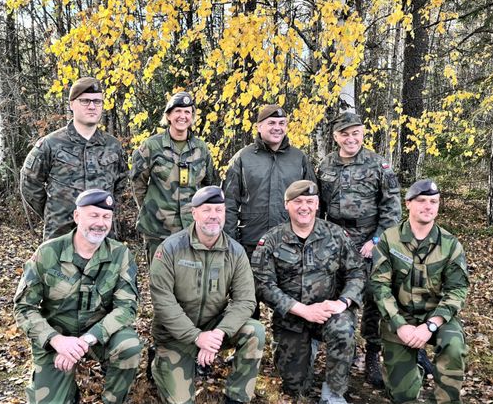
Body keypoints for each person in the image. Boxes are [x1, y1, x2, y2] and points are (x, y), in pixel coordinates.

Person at [13, 189, 142, 404]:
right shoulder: (48, 253)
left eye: (106, 216)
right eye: (94, 215)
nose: (100, 223)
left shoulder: (120, 254)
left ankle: (114, 400)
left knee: (129, 345)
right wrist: (56, 341)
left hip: (98, 335)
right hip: (57, 337)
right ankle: (67, 390)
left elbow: (126, 307)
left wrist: (87, 340)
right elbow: (24, 307)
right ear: (76, 216)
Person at [149, 186, 265, 404]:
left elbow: (245, 300)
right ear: (194, 213)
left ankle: (236, 397)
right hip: (175, 335)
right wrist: (197, 337)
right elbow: (163, 303)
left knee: (254, 331)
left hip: (213, 328)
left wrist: (219, 333)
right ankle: (158, 363)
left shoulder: (235, 252)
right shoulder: (170, 249)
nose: (214, 215)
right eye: (207, 210)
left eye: (219, 210)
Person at [252, 180, 365, 404]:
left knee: (342, 328)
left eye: (309, 201)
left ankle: (334, 393)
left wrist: (342, 302)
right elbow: (263, 284)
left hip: (328, 313)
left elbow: (357, 272)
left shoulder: (336, 235)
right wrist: (302, 310)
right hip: (292, 318)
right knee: (295, 388)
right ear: (287, 205)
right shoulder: (271, 240)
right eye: (298, 202)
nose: (304, 207)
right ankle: (306, 351)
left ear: (317, 205)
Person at [317, 111, 403, 387]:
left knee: (373, 299)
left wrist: (376, 240)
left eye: (356, 133)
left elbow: (392, 209)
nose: (351, 139)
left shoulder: (378, 165)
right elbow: (318, 207)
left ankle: (372, 354)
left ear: (363, 134)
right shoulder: (326, 165)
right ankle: (345, 349)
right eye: (345, 134)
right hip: (336, 240)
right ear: (335, 137)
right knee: (340, 295)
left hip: (369, 240)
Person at [370, 179, 469, 403]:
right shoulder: (389, 239)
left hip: (436, 317)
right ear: (408, 203)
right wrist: (399, 324)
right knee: (402, 396)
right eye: (422, 200)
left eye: (434, 202)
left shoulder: (450, 243)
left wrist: (431, 324)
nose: (428, 206)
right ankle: (411, 373)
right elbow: (379, 285)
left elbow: (457, 289)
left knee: (454, 346)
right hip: (399, 317)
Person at [20, 77, 128, 240]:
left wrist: (105, 211)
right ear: (72, 104)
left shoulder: (113, 146)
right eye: (85, 101)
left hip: (101, 236)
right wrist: (54, 212)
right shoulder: (51, 144)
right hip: (61, 236)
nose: (92, 106)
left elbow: (121, 184)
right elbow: (29, 182)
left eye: (97, 101)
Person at [130, 91, 215, 266]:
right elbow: (137, 183)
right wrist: (151, 208)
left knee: (189, 278)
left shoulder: (201, 148)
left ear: (192, 117)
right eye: (178, 111)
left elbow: (209, 187)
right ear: (168, 115)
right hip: (158, 229)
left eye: (187, 112)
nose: (182, 116)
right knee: (159, 278)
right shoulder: (151, 146)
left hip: (192, 229)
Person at [223, 104, 316, 259]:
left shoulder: (299, 158)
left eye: (281, 123)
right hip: (251, 243)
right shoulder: (243, 158)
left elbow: (313, 204)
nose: (277, 128)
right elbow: (229, 204)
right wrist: (231, 244)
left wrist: (309, 239)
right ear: (259, 127)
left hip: (291, 243)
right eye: (271, 123)